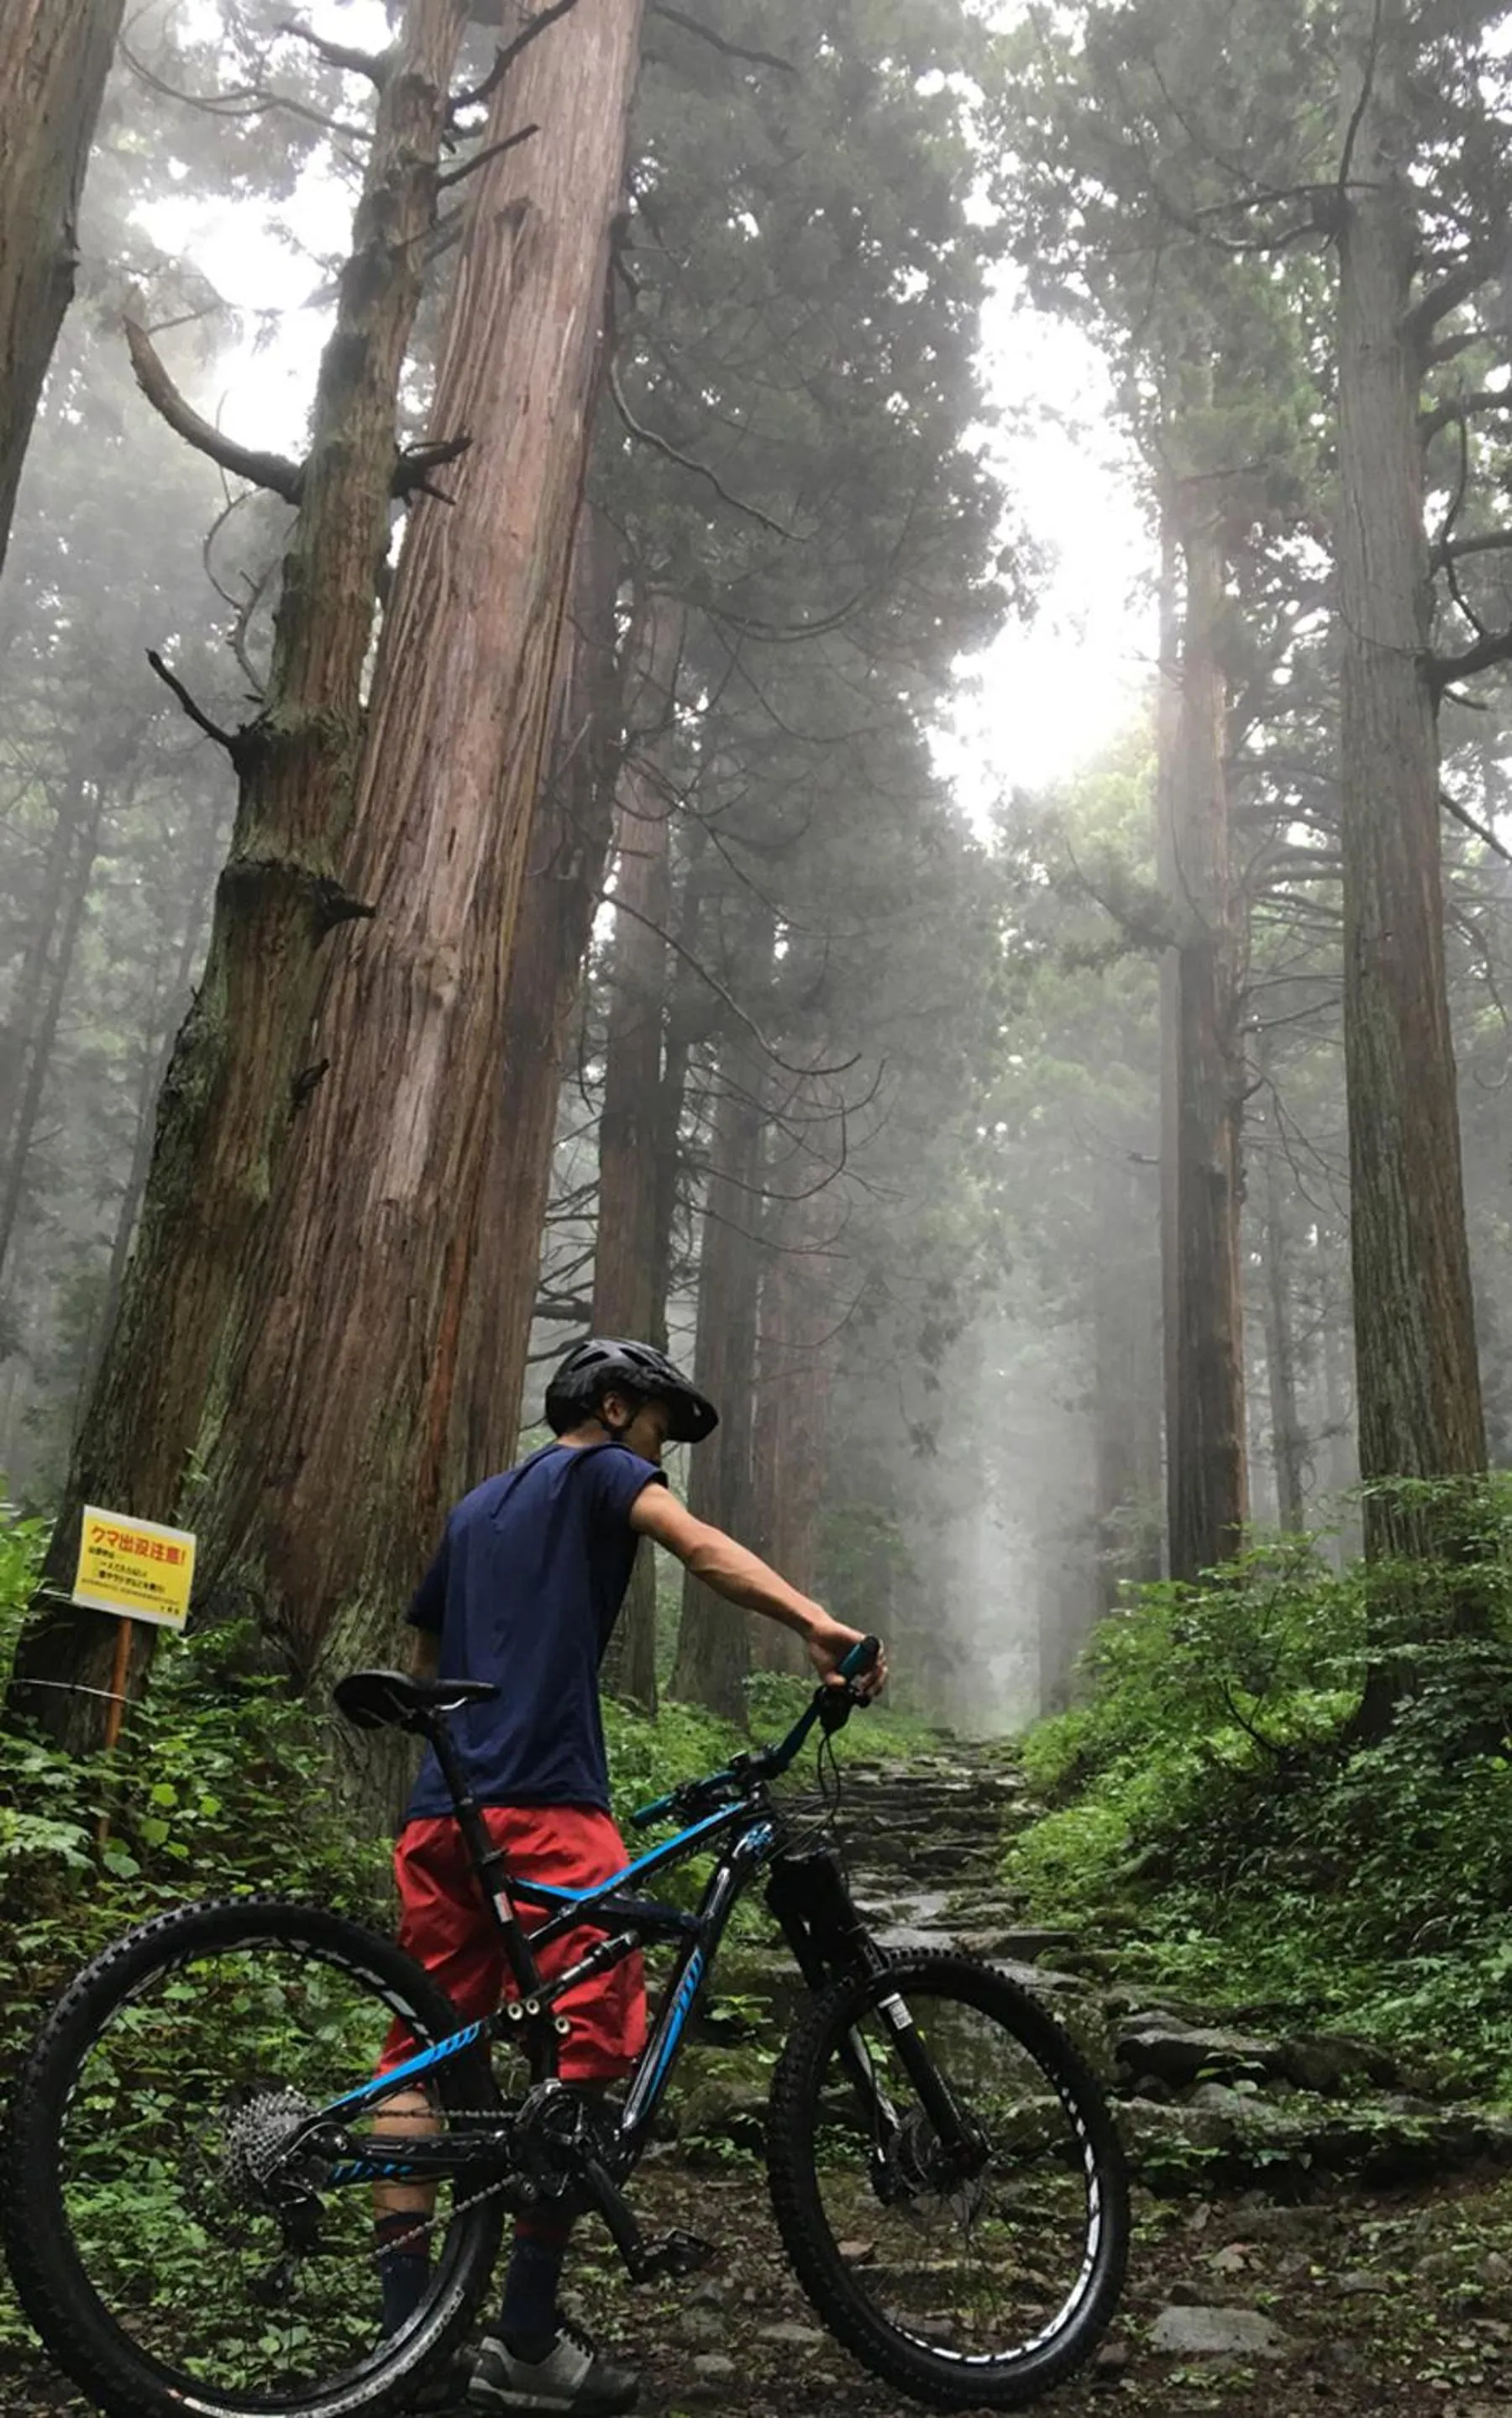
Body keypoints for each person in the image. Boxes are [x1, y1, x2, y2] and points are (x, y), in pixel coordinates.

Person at [370, 1335, 887, 2417]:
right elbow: (697, 1548)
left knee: (422, 2053)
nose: (661, 1457)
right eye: (657, 1429)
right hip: (547, 1807)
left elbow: (425, 1654)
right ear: (613, 1407)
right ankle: (522, 2334)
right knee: (595, 2034)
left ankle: (405, 2342)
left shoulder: (478, 1506)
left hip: (444, 1811)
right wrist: (819, 1626)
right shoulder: (604, 1470)